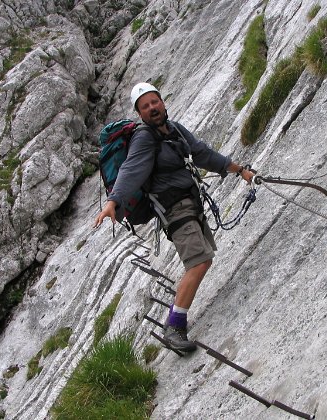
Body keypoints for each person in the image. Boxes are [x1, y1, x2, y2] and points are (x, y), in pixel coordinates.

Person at [93, 82, 255, 352]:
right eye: (145, 107)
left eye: (154, 102)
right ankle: (174, 326)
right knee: (199, 262)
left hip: (191, 204)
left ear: (162, 102)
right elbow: (131, 170)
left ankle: (176, 319)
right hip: (174, 209)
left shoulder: (176, 130)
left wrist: (239, 170)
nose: (152, 108)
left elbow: (202, 153)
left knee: (203, 261)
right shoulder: (144, 138)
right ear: (140, 113)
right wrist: (113, 202)